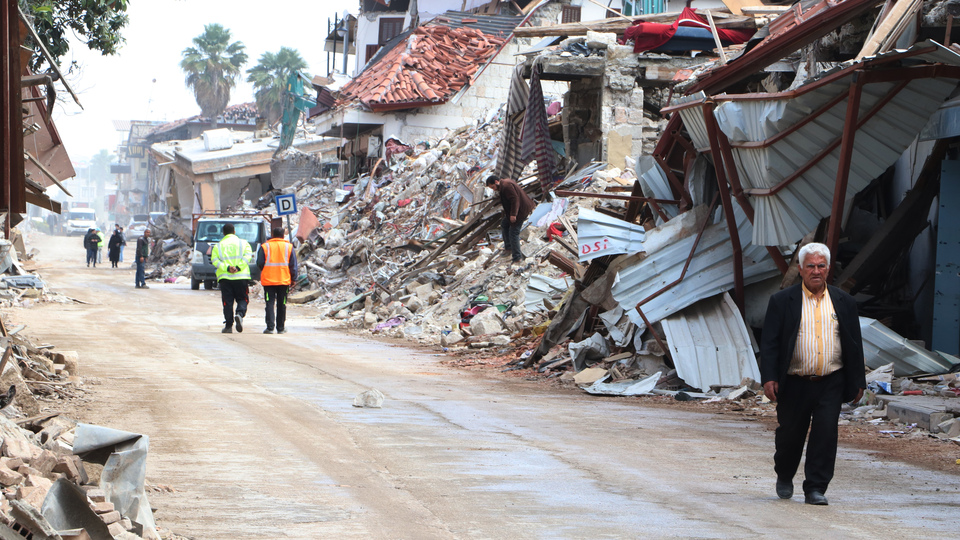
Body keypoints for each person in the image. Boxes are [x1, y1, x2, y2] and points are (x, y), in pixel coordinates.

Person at [760, 242, 865, 506]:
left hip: (831, 381)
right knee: (790, 436)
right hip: (795, 382)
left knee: (825, 435)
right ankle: (784, 474)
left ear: (828, 268)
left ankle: (815, 488)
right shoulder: (782, 301)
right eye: (810, 266)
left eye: (821, 266)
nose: (816, 271)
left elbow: (854, 344)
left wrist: (858, 381)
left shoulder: (844, 302)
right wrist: (769, 377)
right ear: (800, 269)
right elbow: (770, 343)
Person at [210, 223, 253, 334]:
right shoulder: (243, 243)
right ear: (234, 232)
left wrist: (227, 268)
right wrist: (238, 268)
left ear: (223, 233)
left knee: (227, 302)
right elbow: (248, 256)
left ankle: (229, 326)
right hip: (241, 277)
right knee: (243, 299)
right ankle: (239, 314)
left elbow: (214, 260)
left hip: (225, 278)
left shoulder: (218, 246)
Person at [256, 227, 298, 334]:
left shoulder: (265, 246)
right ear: (283, 235)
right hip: (283, 281)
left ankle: (270, 327)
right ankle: (280, 328)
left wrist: (266, 270)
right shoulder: (288, 247)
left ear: (273, 234)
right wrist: (293, 279)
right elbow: (293, 265)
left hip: (269, 281)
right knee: (282, 304)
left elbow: (259, 263)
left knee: (269, 303)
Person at [485, 175, 535, 262]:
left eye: (493, 187)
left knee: (513, 233)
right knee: (504, 224)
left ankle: (517, 258)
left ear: (496, 182)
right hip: (517, 210)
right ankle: (508, 248)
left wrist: (513, 214)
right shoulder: (504, 184)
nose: (493, 189)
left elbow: (515, 199)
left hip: (520, 211)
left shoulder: (506, 186)